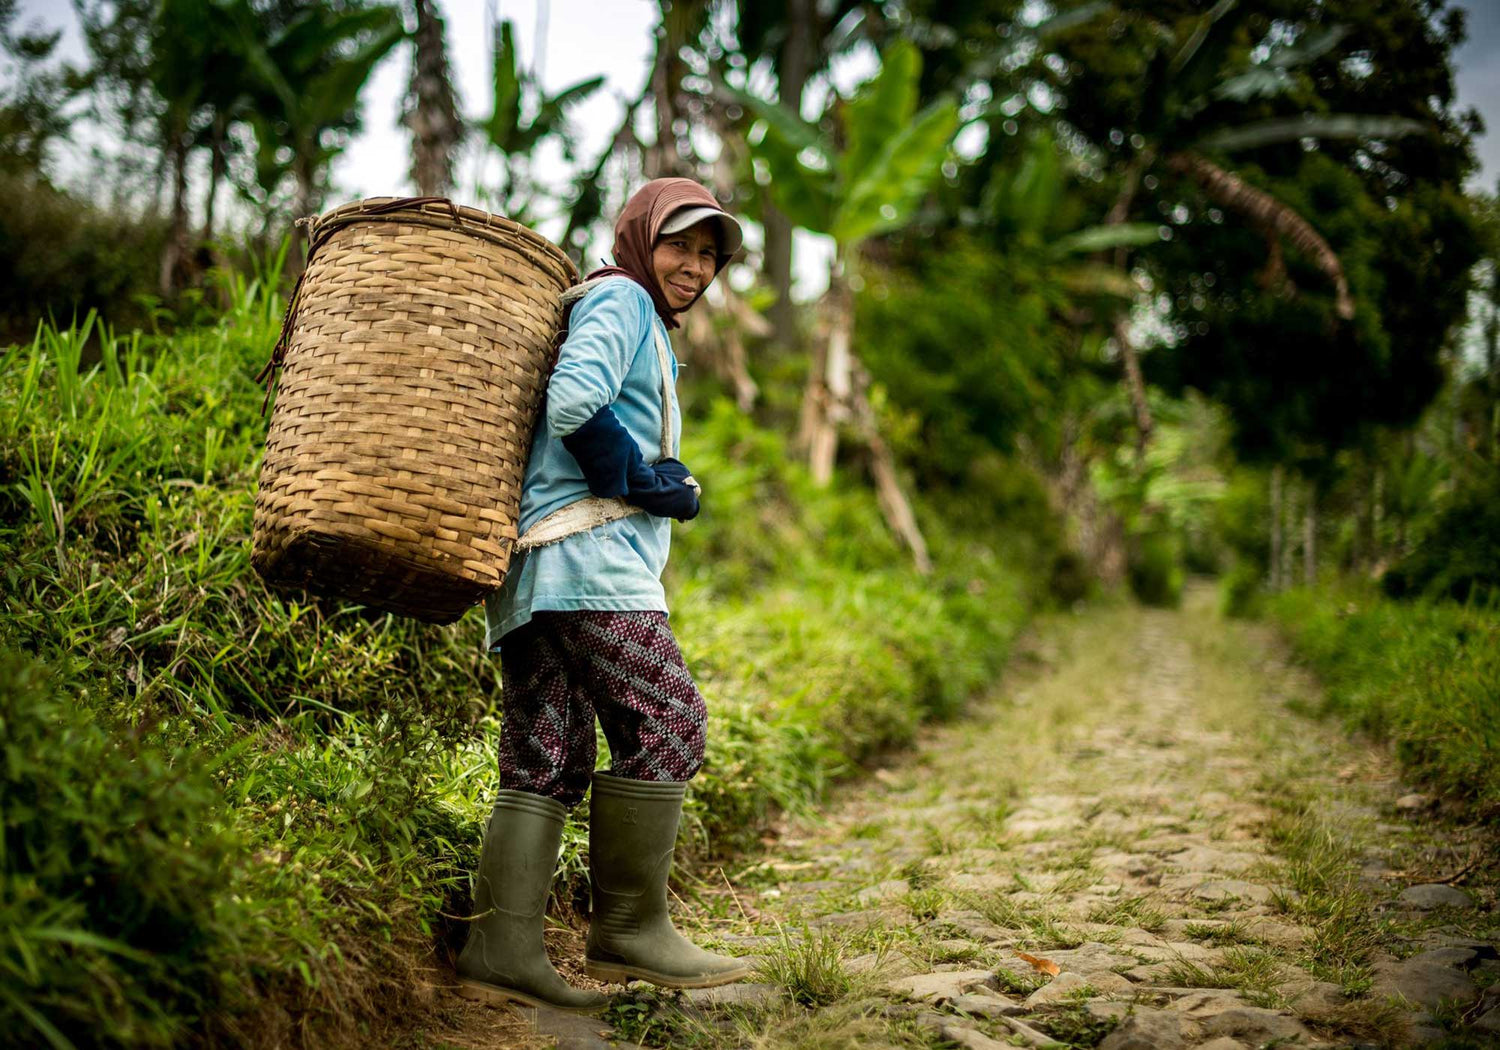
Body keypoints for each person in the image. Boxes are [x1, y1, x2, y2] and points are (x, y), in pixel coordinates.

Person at [456, 178, 751, 1012]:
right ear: (639, 239)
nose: (694, 267)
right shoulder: (621, 298)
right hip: (591, 564)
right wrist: (644, 480)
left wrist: (654, 479)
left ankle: (501, 946)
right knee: (670, 718)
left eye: (709, 254)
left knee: (548, 757)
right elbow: (576, 400)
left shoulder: (630, 312)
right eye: (679, 245)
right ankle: (629, 930)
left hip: (537, 570)